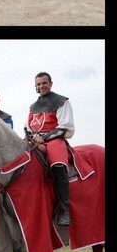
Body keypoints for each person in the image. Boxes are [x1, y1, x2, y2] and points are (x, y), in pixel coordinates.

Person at [28, 71, 74, 225]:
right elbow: (28, 127)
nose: (41, 86)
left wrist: (44, 138)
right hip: (35, 141)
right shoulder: (33, 107)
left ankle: (64, 209)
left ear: (51, 83)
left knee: (58, 166)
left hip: (54, 140)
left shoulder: (61, 101)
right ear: (35, 86)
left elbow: (65, 126)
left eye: (44, 83)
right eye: (38, 84)